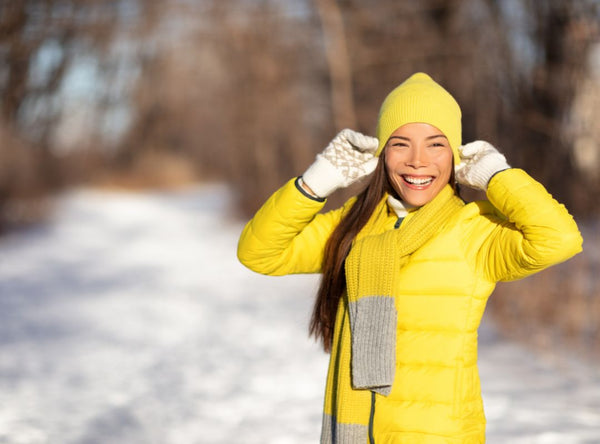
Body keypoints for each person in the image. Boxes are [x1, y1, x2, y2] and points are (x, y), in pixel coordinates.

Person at [237, 72, 583, 443]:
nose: (418, 161)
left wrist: (497, 176)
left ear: (457, 154)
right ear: (382, 153)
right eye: (401, 144)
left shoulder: (474, 231)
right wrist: (316, 181)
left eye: (436, 145)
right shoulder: (356, 226)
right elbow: (259, 253)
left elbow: (559, 239)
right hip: (359, 431)